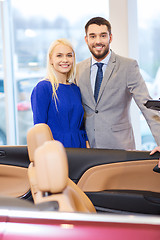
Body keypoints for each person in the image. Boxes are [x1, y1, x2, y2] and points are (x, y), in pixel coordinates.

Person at [76, 16, 160, 150]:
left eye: (103, 35)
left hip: (120, 147)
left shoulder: (128, 66)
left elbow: (146, 105)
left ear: (110, 37)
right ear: (86, 39)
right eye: (92, 36)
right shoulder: (78, 69)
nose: (98, 41)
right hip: (89, 150)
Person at [31, 38, 89, 148]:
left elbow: (81, 125)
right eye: (59, 56)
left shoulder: (75, 89)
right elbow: (39, 129)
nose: (65, 60)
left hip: (80, 148)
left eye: (69, 55)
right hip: (56, 148)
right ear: (50, 59)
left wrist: (86, 145)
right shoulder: (43, 88)